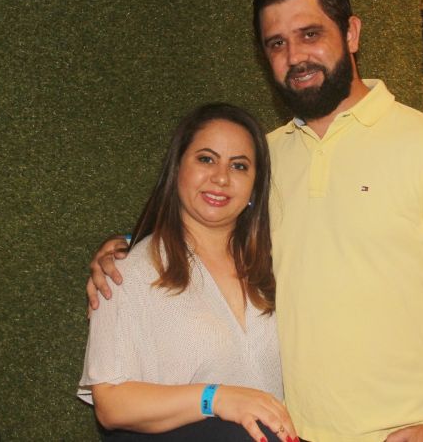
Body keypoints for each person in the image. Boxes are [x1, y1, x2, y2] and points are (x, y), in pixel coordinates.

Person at [88, 0, 423, 442]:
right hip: (298, 434)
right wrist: (127, 247)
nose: (295, 56)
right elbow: (212, 224)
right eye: (277, 43)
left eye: (310, 34)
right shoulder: (264, 158)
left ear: (352, 33)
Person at [78, 103, 300, 442]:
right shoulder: (127, 273)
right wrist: (215, 398)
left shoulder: (278, 264)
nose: (221, 177)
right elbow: (111, 403)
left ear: (255, 187)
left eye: (239, 165)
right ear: (177, 167)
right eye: (206, 159)